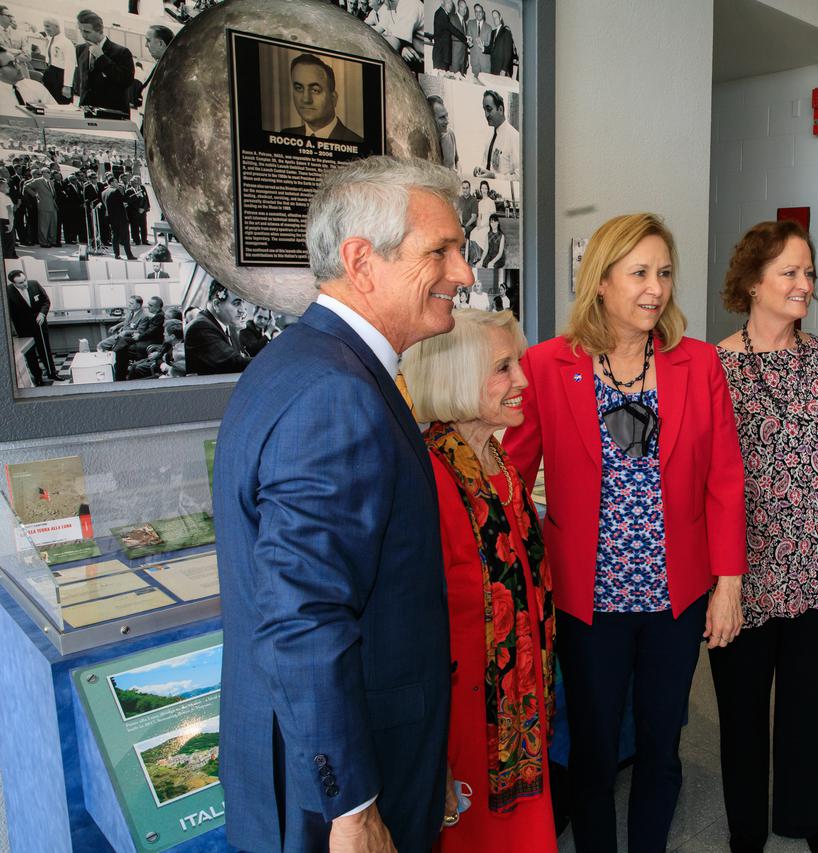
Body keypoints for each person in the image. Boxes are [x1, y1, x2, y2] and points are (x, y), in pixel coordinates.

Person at [215, 156, 470, 852]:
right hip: (330, 791)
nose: (465, 273)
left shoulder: (300, 363)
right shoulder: (336, 394)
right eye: (441, 251)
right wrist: (355, 808)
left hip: (325, 755)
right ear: (362, 261)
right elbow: (304, 617)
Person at [502, 213, 747, 853]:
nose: (655, 288)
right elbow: (509, 479)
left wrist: (728, 584)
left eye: (664, 273)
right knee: (593, 746)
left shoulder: (697, 364)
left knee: (662, 744)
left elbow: (725, 480)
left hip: (676, 596)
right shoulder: (549, 366)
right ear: (601, 282)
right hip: (589, 602)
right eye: (639, 272)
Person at [710, 221, 818, 853]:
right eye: (790, 272)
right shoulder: (713, 368)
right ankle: (746, 829)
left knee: (813, 703)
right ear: (753, 282)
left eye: (809, 273)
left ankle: (812, 820)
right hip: (741, 572)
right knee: (742, 709)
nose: (805, 284)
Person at [400, 309, 557, 852]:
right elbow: (412, 628)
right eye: (503, 368)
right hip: (465, 724)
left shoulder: (500, 461)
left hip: (521, 709)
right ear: (458, 379)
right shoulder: (431, 481)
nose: (523, 381)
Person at [280, 53, 364, 142]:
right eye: (299, 88)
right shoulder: (285, 136)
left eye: (315, 90)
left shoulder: (356, 142)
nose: (305, 99)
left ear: (333, 98)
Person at [71, 10, 135, 116]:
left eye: (87, 32)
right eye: (80, 30)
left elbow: (126, 81)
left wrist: (101, 58)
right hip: (86, 112)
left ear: (99, 30)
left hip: (112, 113)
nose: (83, 35)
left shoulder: (121, 52)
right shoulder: (80, 50)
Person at [184, 280, 251, 374]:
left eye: (243, 303)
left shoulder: (228, 326)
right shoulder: (199, 328)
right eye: (236, 303)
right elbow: (235, 363)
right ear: (216, 304)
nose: (243, 311)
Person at [6, 269, 60, 383]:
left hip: (39, 323)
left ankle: (52, 373)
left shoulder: (34, 284)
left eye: (25, 280)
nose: (25, 283)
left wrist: (42, 313)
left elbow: (46, 301)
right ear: (13, 283)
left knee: (45, 350)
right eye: (20, 283)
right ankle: (38, 377)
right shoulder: (7, 291)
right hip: (23, 327)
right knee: (30, 354)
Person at [111, 294, 165, 379]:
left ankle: (120, 374)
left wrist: (139, 337)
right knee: (123, 343)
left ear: (157, 307)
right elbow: (149, 331)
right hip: (148, 339)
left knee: (123, 351)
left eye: (150, 306)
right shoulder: (156, 315)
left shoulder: (159, 316)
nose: (148, 307)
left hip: (152, 342)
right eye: (148, 305)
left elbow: (151, 332)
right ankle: (120, 372)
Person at [475, 89, 519, 178]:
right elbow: (487, 165)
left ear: (500, 109)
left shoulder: (514, 137)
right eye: (484, 110)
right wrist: (479, 169)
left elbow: (519, 177)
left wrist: (495, 176)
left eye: (489, 109)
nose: (486, 115)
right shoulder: (490, 136)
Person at [21, 167, 57, 247]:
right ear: (43, 173)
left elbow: (53, 194)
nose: (49, 173)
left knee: (52, 224)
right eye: (48, 172)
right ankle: (43, 242)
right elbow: (26, 187)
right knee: (44, 225)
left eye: (49, 172)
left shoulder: (51, 182)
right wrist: (35, 195)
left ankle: (52, 240)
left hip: (52, 205)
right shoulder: (38, 181)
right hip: (43, 205)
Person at [41, 19, 74, 104]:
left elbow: (70, 65)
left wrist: (67, 85)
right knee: (48, 102)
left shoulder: (66, 43)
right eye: (44, 26)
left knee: (61, 103)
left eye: (48, 26)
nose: (46, 29)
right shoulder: (51, 40)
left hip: (60, 76)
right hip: (50, 72)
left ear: (57, 27)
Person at [101, 175, 134, 259]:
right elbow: (123, 201)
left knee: (115, 236)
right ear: (111, 182)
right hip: (120, 217)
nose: (117, 183)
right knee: (126, 237)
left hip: (111, 218)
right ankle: (129, 255)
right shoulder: (115, 191)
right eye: (116, 182)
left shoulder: (103, 192)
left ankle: (117, 254)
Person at [432, 0, 467, 72]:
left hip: (443, 54)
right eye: (448, 4)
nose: (450, 7)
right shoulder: (441, 13)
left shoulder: (444, 14)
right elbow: (452, 29)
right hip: (440, 54)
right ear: (443, 3)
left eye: (451, 5)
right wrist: (465, 39)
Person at [428, 94, 459, 170]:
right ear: (430, 118)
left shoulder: (448, 134)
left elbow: (453, 165)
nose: (447, 121)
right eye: (442, 117)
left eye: (446, 116)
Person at [485, 8, 515, 77]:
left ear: (500, 17)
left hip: (501, 69)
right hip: (493, 68)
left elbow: (508, 53)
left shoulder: (506, 32)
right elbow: (491, 49)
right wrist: (483, 48)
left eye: (496, 17)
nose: (495, 19)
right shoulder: (493, 32)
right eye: (493, 18)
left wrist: (504, 69)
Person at [468, 2, 490, 75]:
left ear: (483, 13)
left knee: (485, 84)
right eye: (476, 11)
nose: (478, 14)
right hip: (474, 60)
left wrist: (483, 44)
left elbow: (489, 45)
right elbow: (468, 39)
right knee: (475, 83)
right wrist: (469, 43)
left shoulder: (489, 27)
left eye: (480, 11)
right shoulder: (470, 23)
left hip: (485, 62)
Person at [126, 175, 150, 245]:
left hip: (142, 211)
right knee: (134, 226)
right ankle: (136, 240)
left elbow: (146, 199)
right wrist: (136, 196)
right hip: (134, 211)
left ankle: (144, 240)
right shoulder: (129, 191)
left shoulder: (142, 188)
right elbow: (129, 202)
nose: (136, 184)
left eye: (137, 182)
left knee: (143, 226)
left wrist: (145, 208)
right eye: (134, 183)